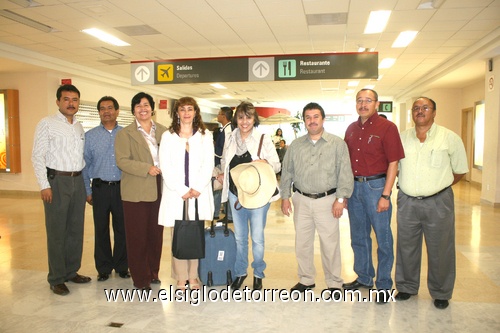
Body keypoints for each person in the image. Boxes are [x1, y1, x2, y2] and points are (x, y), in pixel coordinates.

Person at [395, 97, 468, 309]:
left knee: (441, 248)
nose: (420, 111)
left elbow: (460, 170)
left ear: (434, 112)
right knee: (406, 247)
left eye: (425, 108)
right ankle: (407, 286)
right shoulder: (402, 138)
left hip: (439, 202)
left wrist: (439, 187)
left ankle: (441, 292)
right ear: (412, 113)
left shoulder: (449, 138)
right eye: (416, 108)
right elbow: (395, 167)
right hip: (407, 201)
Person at [280, 102, 353, 298]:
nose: (312, 121)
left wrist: (340, 199)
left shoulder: (337, 144)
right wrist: (285, 197)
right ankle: (306, 279)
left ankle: (334, 283)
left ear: (323, 119)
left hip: (327, 201)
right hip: (301, 200)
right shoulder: (295, 145)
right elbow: (287, 172)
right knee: (302, 243)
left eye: (315, 117)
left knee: (330, 244)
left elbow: (345, 173)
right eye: (308, 117)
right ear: (304, 121)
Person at [343, 88, 405, 303]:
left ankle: (384, 285)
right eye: (359, 100)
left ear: (376, 104)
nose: (363, 104)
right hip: (354, 188)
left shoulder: (387, 127)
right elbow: (345, 164)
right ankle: (364, 277)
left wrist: (386, 195)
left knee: (383, 238)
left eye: (368, 100)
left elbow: (394, 162)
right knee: (358, 237)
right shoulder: (350, 129)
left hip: (376, 187)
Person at [31, 84, 91, 296]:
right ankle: (56, 278)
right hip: (57, 181)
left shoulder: (79, 126)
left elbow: (82, 158)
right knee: (57, 232)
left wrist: (86, 186)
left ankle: (71, 271)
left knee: (76, 230)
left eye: (74, 99)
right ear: (58, 101)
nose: (71, 103)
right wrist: (44, 185)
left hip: (77, 180)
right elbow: (37, 156)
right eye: (66, 99)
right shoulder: (46, 124)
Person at [217, 102, 280, 290]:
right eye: (241, 117)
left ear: (254, 119)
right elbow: (224, 163)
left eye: (249, 117)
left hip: (258, 196)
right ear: (236, 119)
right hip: (236, 194)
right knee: (240, 238)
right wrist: (220, 174)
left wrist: (265, 162)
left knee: (258, 238)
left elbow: (277, 165)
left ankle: (258, 273)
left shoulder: (263, 138)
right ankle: (240, 272)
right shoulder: (229, 137)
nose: (245, 122)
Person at [158, 97, 214, 290]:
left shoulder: (206, 135)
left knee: (195, 234)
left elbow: (208, 164)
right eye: (183, 110)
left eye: (190, 109)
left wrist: (197, 187)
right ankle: (181, 277)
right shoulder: (168, 136)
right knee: (178, 235)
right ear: (177, 113)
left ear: (196, 112)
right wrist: (182, 189)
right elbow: (165, 165)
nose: (187, 113)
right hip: (176, 194)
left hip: (199, 194)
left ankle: (193, 276)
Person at [115, 92, 167, 290]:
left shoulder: (165, 131)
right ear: (133, 110)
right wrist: (146, 168)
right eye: (138, 106)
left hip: (160, 188)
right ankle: (140, 278)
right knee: (137, 236)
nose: (142, 108)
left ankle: (153, 271)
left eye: (146, 104)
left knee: (156, 234)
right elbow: (122, 161)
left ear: (152, 108)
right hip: (136, 190)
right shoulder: (125, 134)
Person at [82, 96, 129, 282]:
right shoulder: (90, 136)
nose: (106, 111)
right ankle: (103, 268)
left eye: (110, 108)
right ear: (99, 112)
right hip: (100, 188)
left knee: (122, 229)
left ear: (117, 111)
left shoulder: (126, 134)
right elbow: (84, 165)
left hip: (122, 188)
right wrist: (88, 190)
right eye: (102, 108)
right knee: (100, 229)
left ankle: (122, 266)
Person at [213, 106, 233, 221]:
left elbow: (225, 151)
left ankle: (229, 215)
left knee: (225, 188)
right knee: (222, 188)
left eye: (219, 114)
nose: (218, 116)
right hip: (222, 163)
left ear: (224, 116)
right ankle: (226, 213)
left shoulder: (228, 131)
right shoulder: (225, 129)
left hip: (224, 165)